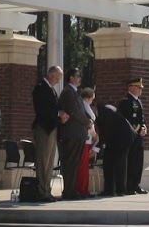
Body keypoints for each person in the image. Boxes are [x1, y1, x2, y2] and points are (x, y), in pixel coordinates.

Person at [31, 64, 67, 201]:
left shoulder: (52, 90)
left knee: (50, 161)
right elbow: (42, 110)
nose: (58, 80)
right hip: (44, 129)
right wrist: (59, 114)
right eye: (58, 77)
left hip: (52, 128)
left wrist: (62, 115)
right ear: (51, 74)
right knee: (43, 161)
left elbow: (55, 108)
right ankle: (41, 191)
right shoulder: (41, 88)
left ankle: (46, 190)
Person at [58, 66, 92, 199]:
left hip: (78, 133)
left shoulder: (75, 92)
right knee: (71, 163)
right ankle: (69, 191)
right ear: (71, 78)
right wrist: (87, 122)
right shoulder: (67, 92)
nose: (79, 78)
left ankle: (73, 190)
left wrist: (87, 120)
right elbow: (74, 111)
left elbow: (81, 110)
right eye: (77, 76)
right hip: (71, 133)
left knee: (75, 164)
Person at [96, 102, 135, 195]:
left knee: (119, 165)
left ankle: (120, 190)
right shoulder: (105, 109)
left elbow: (104, 132)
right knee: (108, 163)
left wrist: (96, 149)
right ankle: (109, 190)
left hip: (123, 139)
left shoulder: (105, 111)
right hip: (114, 140)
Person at [118, 77, 149, 193]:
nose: (141, 90)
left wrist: (144, 127)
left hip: (138, 137)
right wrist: (138, 129)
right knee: (131, 162)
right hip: (130, 137)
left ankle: (136, 184)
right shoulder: (126, 101)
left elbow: (142, 119)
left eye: (141, 87)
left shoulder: (139, 102)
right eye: (138, 87)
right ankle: (129, 186)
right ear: (131, 87)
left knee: (138, 162)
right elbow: (125, 120)